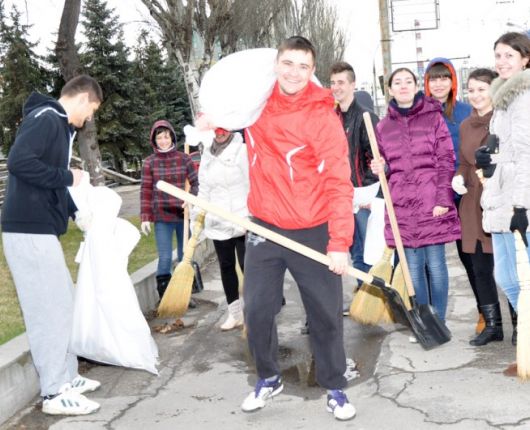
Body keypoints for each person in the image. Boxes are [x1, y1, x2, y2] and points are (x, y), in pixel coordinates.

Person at [240, 36, 356, 421]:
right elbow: (227, 112)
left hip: (313, 228)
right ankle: (268, 377)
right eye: (288, 64)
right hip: (265, 226)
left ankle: (335, 386)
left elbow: (339, 182)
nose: (294, 73)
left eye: (303, 67)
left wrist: (339, 242)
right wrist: (213, 119)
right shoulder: (255, 104)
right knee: (256, 309)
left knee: (324, 313)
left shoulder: (322, 116)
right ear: (276, 64)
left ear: (312, 71)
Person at [1, 75, 103, 415]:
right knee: (48, 311)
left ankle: (67, 377)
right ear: (82, 98)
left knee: (63, 304)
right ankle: (54, 393)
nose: (89, 118)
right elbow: (19, 163)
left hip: (40, 229)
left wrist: (75, 213)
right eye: (91, 110)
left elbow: (52, 180)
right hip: (28, 230)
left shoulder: (59, 127)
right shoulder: (46, 119)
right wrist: (68, 177)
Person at [371, 68, 461, 327]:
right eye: (397, 83)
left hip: (432, 200)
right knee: (413, 269)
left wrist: (443, 199)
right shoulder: (382, 126)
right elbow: (383, 165)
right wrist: (379, 167)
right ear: (389, 89)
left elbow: (446, 159)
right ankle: (424, 323)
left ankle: (439, 322)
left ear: (415, 86)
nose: (402, 86)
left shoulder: (433, 117)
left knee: (435, 264)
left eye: (407, 81)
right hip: (401, 204)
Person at [476, 32, 530, 376]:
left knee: (520, 279)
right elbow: (507, 148)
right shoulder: (505, 97)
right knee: (508, 277)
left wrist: (522, 208)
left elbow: (527, 156)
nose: (501, 61)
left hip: (517, 200)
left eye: (509, 55)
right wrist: (489, 152)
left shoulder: (523, 97)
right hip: (499, 197)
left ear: (525, 59)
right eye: (498, 55)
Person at [453, 68, 514, 346]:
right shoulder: (466, 125)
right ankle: (492, 325)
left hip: (499, 199)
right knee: (479, 267)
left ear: (494, 90)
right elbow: (465, 161)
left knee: (506, 268)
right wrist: (458, 177)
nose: (475, 95)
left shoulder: (504, 120)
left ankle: (519, 323)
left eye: (481, 89)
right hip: (472, 204)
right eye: (471, 89)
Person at [423, 58, 478, 328]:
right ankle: (431, 317)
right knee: (430, 260)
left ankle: (485, 313)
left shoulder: (467, 112)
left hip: (463, 194)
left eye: (444, 77)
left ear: (453, 81)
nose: (439, 83)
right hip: (432, 196)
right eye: (434, 78)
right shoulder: (420, 113)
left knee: (470, 255)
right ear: (427, 83)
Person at [330, 61, 379, 283]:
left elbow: (377, 160)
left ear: (353, 84)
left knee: (368, 251)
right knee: (353, 250)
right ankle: (362, 294)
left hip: (363, 195)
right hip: (340, 195)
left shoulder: (367, 117)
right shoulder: (331, 118)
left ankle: (372, 295)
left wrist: (370, 195)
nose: (336, 87)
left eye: (341, 82)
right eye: (332, 83)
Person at [195, 128, 249, 330]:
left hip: (243, 219)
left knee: (248, 266)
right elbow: (204, 189)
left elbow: (252, 183)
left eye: (223, 128)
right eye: (215, 129)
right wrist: (196, 213)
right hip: (218, 221)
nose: (220, 133)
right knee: (226, 267)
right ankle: (235, 313)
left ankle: (254, 311)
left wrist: (253, 215)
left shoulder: (242, 150)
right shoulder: (207, 154)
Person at [140, 120, 199, 299]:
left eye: (166, 137)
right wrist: (145, 217)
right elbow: (146, 190)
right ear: (154, 140)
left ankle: (185, 296)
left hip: (183, 215)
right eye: (159, 138)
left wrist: (190, 199)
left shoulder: (184, 158)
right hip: (162, 217)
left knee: (185, 257)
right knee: (165, 257)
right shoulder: (150, 162)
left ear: (171, 137)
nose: (163, 141)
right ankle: (166, 297)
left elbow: (196, 184)